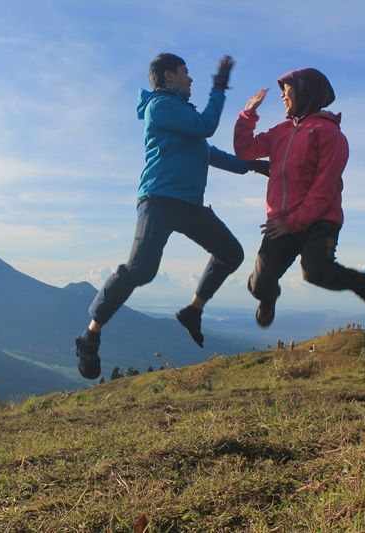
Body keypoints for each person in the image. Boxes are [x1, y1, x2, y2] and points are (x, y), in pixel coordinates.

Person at [75, 53, 270, 380]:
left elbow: (207, 152)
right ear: (168, 78)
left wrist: (251, 166)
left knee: (231, 253)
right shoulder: (160, 107)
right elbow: (206, 127)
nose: (191, 79)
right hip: (159, 200)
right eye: (185, 73)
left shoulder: (180, 114)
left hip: (188, 205)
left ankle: (192, 310)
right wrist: (219, 87)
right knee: (142, 269)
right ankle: (90, 336)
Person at [234, 67, 365, 328]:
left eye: (288, 92)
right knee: (259, 285)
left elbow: (325, 186)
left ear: (305, 92)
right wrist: (248, 113)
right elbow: (245, 150)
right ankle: (269, 297)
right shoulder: (280, 132)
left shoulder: (330, 134)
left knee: (316, 272)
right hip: (281, 219)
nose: (283, 98)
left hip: (319, 219)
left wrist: (294, 222)